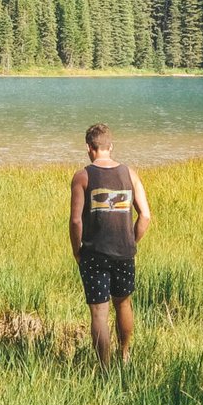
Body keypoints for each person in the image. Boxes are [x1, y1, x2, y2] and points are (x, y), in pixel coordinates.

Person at [68, 122, 152, 368]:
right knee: (123, 303)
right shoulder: (130, 174)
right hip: (124, 252)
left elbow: (75, 220)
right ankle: (124, 356)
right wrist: (131, 241)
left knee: (99, 313)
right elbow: (145, 216)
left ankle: (104, 368)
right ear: (110, 146)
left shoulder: (83, 176)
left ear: (88, 148)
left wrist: (77, 250)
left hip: (94, 253)